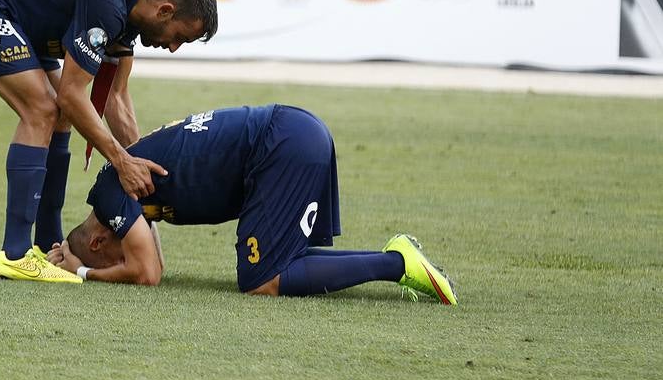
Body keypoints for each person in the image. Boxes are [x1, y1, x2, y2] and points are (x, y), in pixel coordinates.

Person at [0, 0, 218, 283]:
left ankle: (45, 245)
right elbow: (71, 94)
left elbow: (117, 101)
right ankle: (14, 255)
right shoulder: (108, 4)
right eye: (179, 36)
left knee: (63, 117)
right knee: (42, 110)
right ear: (165, 11)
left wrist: (145, 188)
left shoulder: (131, 8)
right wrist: (121, 161)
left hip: (20, 12)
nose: (173, 48)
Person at [46, 104, 457, 304]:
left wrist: (79, 271)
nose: (121, 260)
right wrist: (77, 256)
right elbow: (153, 262)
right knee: (282, 265)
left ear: (100, 242)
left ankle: (397, 264)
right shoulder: (123, 199)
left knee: (262, 281)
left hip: (280, 144)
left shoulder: (111, 193)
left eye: (107, 258)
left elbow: (147, 273)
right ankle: (397, 258)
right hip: (291, 133)